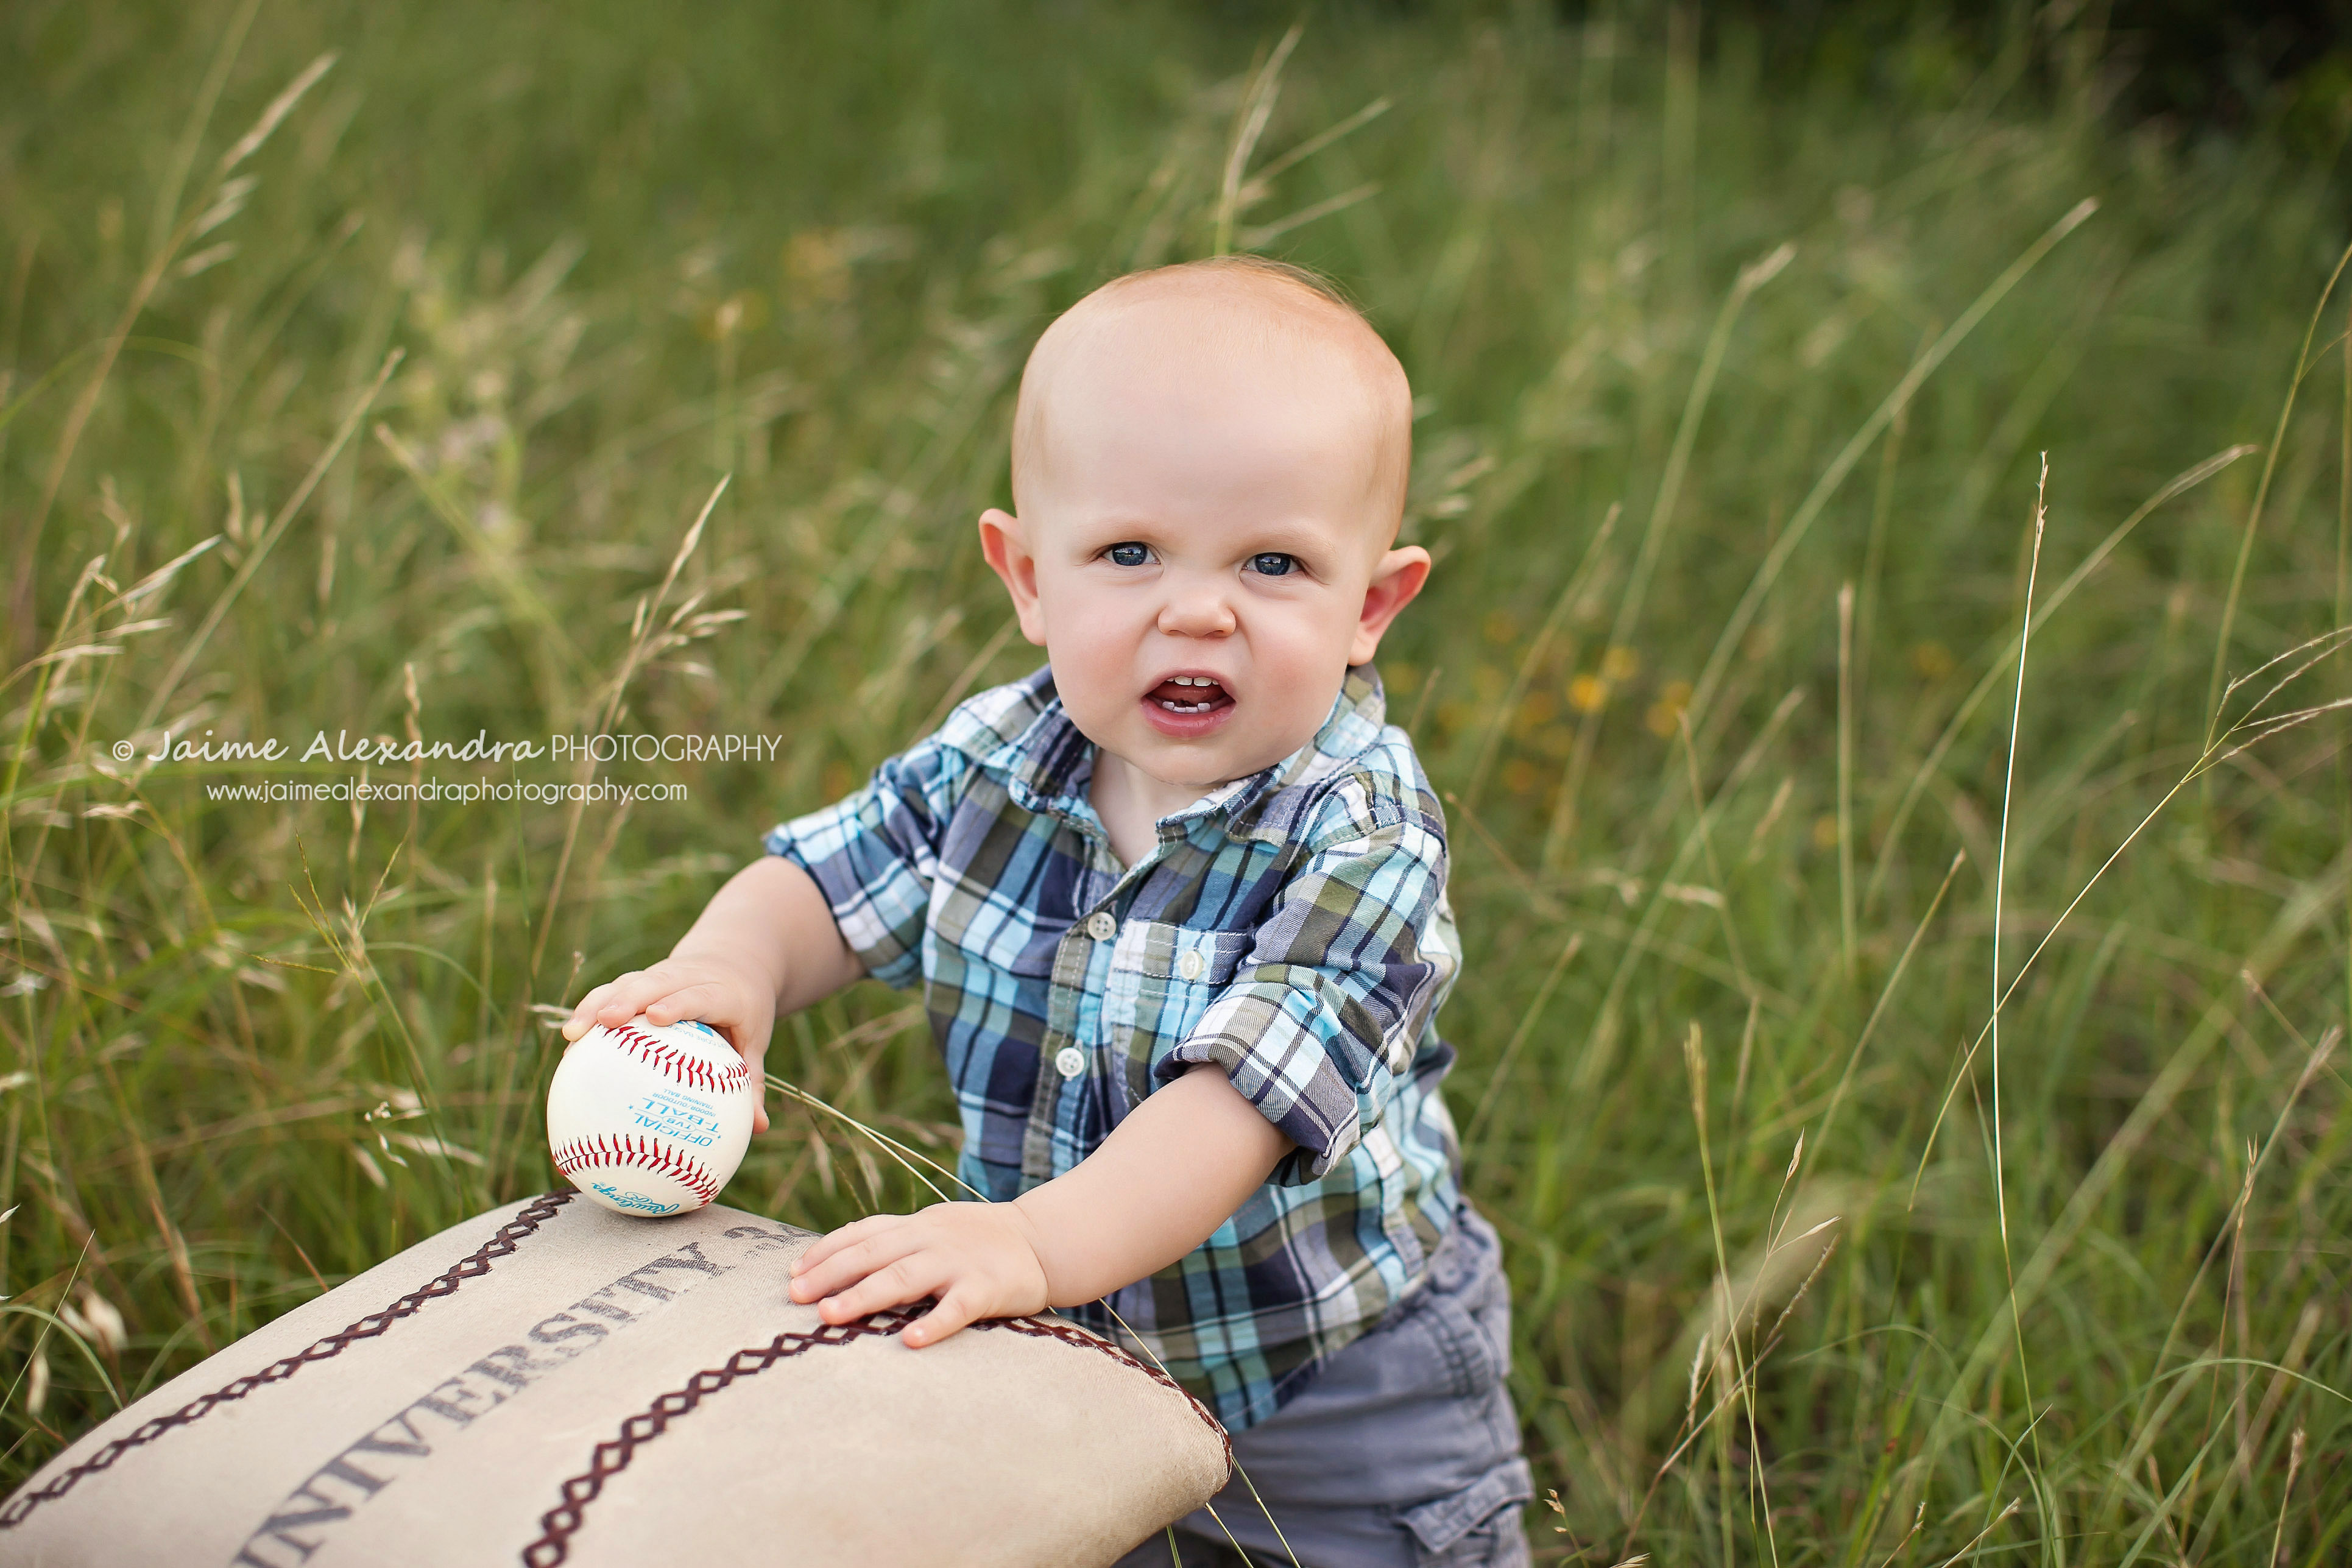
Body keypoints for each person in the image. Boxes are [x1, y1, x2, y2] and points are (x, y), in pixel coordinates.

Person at [562, 254, 1530, 1567]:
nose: (1197, 609)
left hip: (1333, 1376)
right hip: (1060, 1346)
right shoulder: (993, 761)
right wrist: (730, 966)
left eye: (1273, 563)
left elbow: (1238, 1108)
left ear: (1369, 605)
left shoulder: (1362, 840)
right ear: (1025, 576)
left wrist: (1031, 1240)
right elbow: (826, 884)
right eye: (1127, 552)